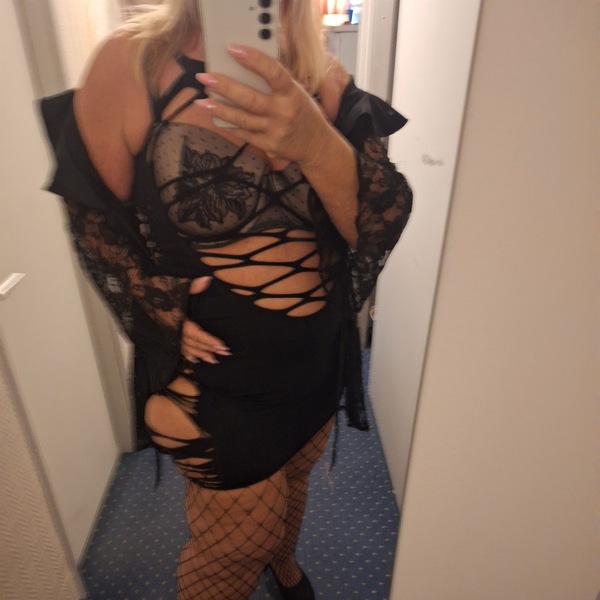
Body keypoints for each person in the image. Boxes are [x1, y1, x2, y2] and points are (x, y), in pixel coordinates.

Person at [40, 1, 412, 598]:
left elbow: (374, 226)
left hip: (317, 359)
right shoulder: (132, 62)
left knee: (295, 485)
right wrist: (159, 307)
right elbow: (94, 220)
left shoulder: (322, 74)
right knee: (232, 550)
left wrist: (315, 140)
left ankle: (284, 564)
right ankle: (266, 559)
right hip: (220, 381)